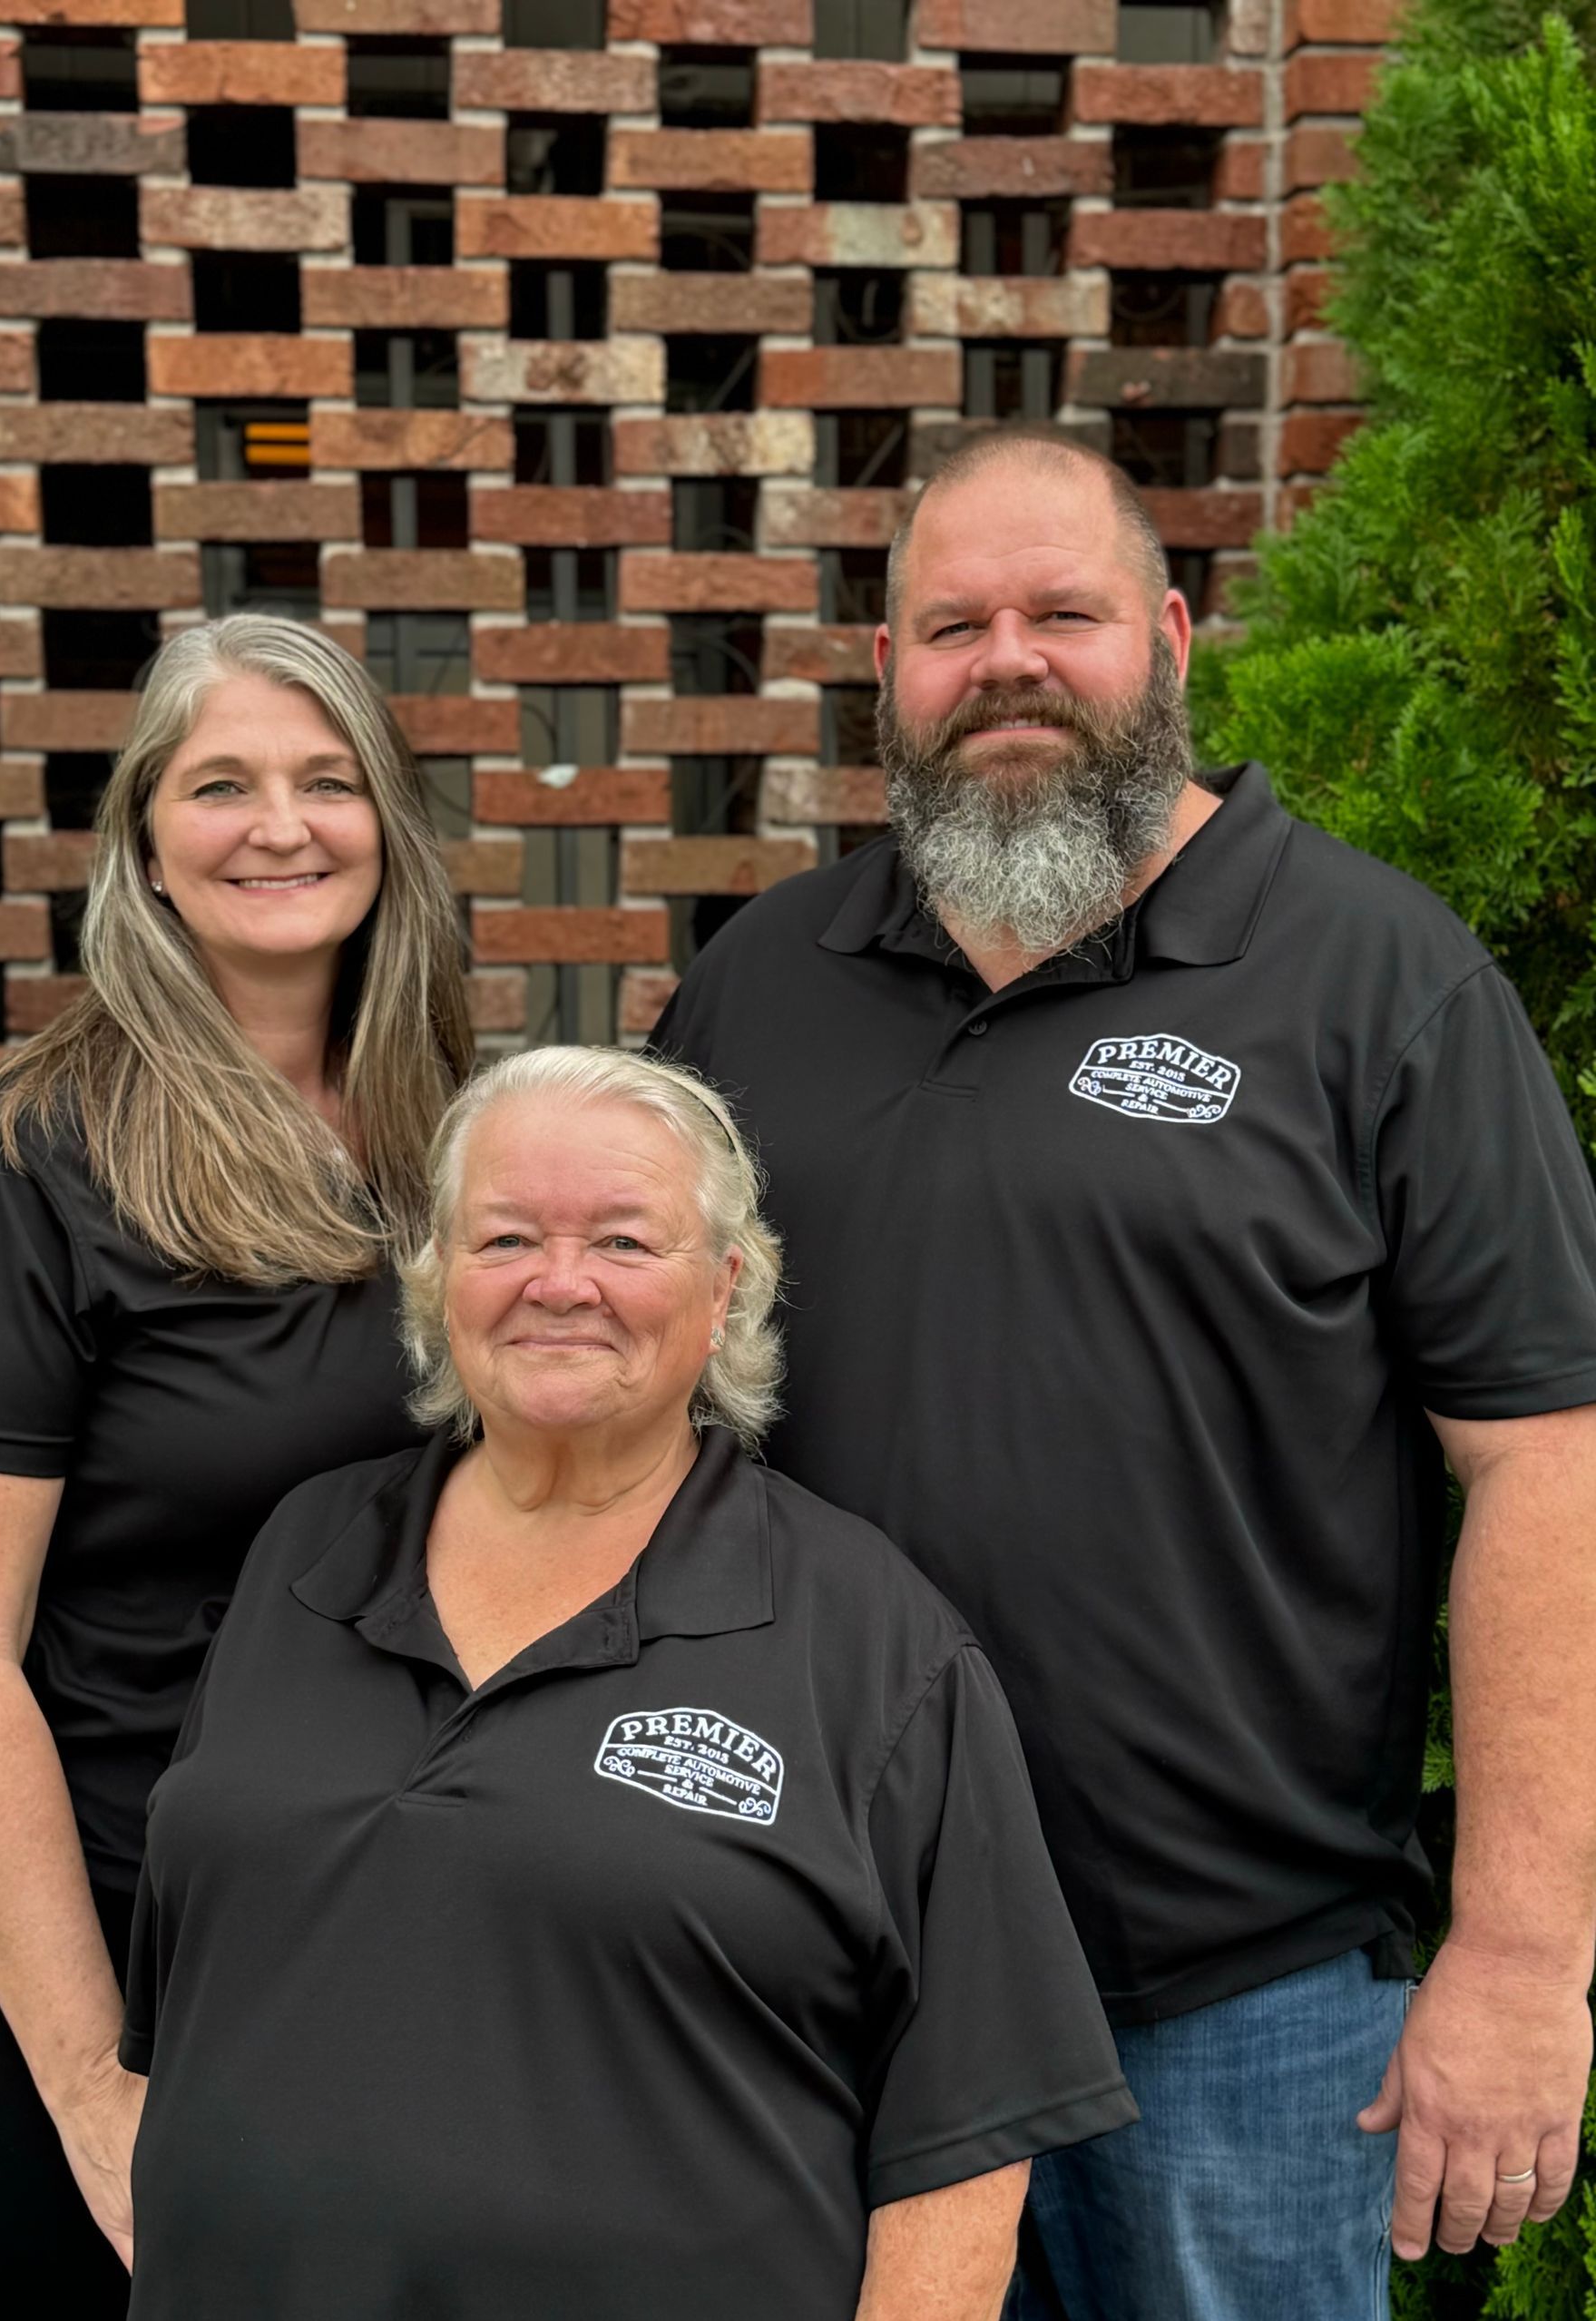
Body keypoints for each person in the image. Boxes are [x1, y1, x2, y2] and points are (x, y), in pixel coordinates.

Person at [652, 423, 1596, 2321]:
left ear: (1168, 640)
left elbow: (1546, 1465)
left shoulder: (1371, 980)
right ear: (889, 672)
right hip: (828, 1981)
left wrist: (1520, 1949)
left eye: (1061, 613)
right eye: (951, 623)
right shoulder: (758, 990)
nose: (1006, 660)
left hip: (1232, 2008)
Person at [119, 1046, 1135, 2321]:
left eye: (622, 1241)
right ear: (437, 1283)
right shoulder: (302, 1556)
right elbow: (199, 2005)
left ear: (725, 1292)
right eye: (503, 1238)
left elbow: (970, 2136)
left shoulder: (871, 1643)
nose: (559, 1283)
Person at [0, 614, 474, 2321]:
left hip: (394, 1920)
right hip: (116, 1928)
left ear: (389, 825)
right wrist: (85, 2077)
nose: (281, 825)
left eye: (327, 780)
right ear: (143, 839)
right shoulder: (25, 1164)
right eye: (222, 784)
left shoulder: (453, 1134)